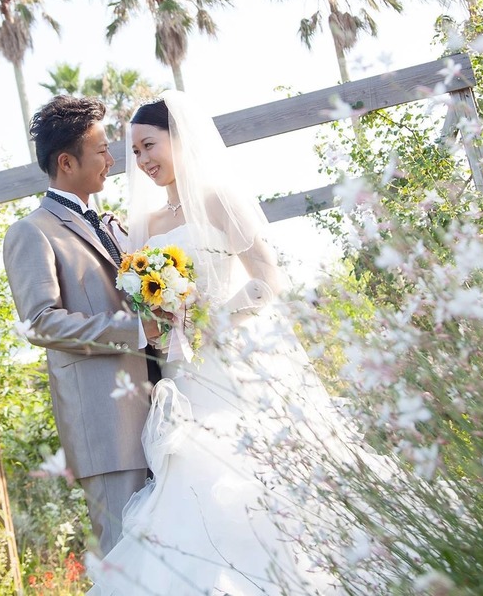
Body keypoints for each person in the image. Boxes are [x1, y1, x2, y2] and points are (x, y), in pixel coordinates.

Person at [87, 92, 393, 595]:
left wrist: (214, 323)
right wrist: (163, 316)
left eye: (149, 146)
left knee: (260, 472)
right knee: (195, 477)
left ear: (179, 138)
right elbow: (144, 303)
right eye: (135, 153)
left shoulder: (219, 199)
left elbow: (267, 280)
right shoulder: (145, 225)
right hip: (185, 374)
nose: (142, 161)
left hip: (239, 359)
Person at [3, 95, 163, 556]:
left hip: (163, 412)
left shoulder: (112, 225)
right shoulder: (31, 232)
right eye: (102, 152)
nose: (113, 161)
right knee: (128, 566)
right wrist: (135, 330)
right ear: (67, 162)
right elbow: (41, 323)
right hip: (108, 432)